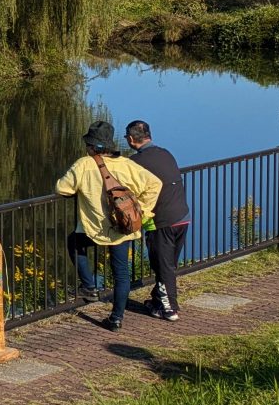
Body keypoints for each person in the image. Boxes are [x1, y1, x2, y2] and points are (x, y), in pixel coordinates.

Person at [56, 120, 162, 331]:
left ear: (91, 145)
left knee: (75, 242)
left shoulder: (84, 164)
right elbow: (155, 184)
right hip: (123, 227)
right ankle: (116, 319)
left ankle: (89, 286)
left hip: (95, 228)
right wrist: (142, 211)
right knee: (121, 273)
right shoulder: (126, 164)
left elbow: (62, 188)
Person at [126, 120, 190, 322]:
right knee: (168, 263)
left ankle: (169, 309)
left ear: (130, 139)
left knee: (163, 267)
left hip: (162, 221)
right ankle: (156, 300)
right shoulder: (165, 153)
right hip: (182, 216)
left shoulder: (135, 162)